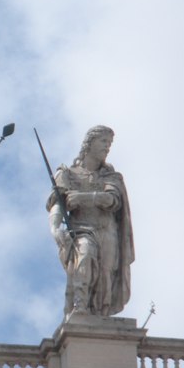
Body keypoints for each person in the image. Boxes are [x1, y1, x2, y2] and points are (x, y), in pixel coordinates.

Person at [47, 125, 133, 317]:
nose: (107, 147)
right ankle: (79, 307)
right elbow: (58, 204)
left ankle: (99, 320)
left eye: (109, 143)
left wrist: (83, 198)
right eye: (104, 141)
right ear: (90, 143)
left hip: (107, 231)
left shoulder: (110, 176)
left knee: (105, 278)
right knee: (83, 259)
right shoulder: (67, 174)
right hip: (82, 229)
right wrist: (54, 229)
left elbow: (112, 200)